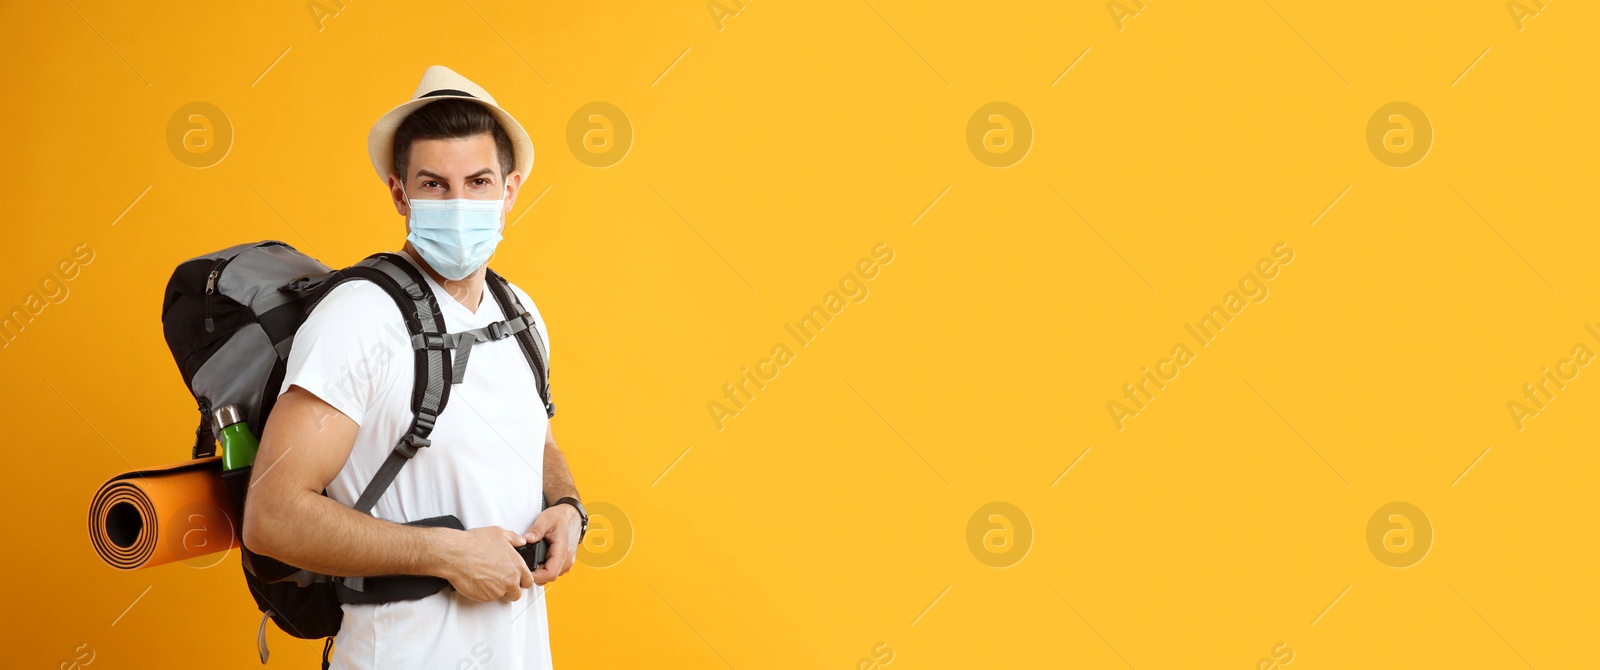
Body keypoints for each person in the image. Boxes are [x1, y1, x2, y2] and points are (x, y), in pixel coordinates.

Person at [242, 65, 585, 670]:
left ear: (510, 190)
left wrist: (566, 505)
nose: (459, 203)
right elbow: (272, 516)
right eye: (434, 185)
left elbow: (538, 439)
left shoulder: (518, 312)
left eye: (478, 181)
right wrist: (445, 554)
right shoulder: (359, 317)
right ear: (400, 194)